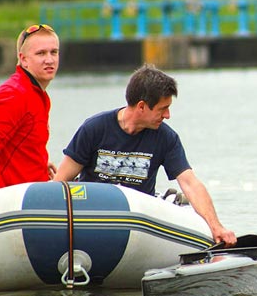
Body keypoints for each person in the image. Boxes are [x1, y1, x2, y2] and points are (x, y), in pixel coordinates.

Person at [53, 64, 237, 247]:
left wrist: (216, 227)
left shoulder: (166, 138)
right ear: (141, 106)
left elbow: (190, 183)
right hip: (93, 215)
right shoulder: (94, 128)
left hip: (138, 222)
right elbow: (62, 179)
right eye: (162, 109)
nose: (168, 115)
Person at [0, 24, 59, 195]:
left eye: (54, 52)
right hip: (6, 208)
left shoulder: (37, 94)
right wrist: (0, 205)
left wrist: (39, 164)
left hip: (30, 197)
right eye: (41, 53)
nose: (50, 60)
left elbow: (19, 145)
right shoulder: (12, 95)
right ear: (23, 59)